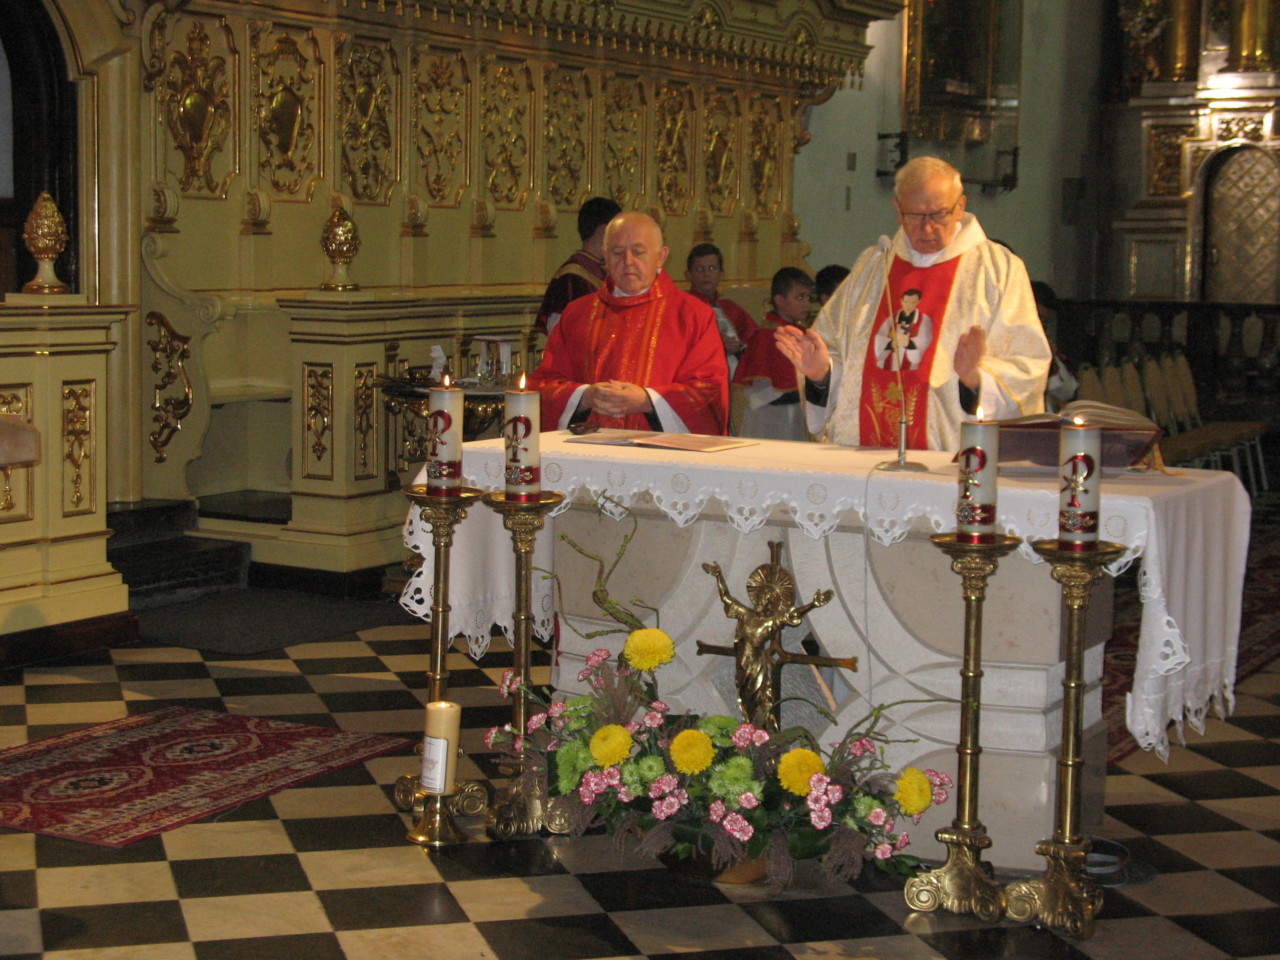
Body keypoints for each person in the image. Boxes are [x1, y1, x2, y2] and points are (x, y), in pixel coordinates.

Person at [775, 156, 1050, 450]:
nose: (927, 228)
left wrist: (976, 380)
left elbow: (1027, 367)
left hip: (951, 456)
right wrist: (822, 374)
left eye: (938, 215)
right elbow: (836, 357)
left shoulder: (997, 270)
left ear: (960, 206)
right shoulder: (874, 266)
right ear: (898, 210)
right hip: (862, 452)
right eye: (915, 216)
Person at [528, 211, 729, 435]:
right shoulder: (577, 314)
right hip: (587, 448)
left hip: (660, 451)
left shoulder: (693, 316)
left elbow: (709, 393)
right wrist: (584, 396)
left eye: (638, 252)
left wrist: (647, 401)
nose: (628, 262)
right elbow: (544, 384)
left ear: (661, 256)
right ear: (605, 256)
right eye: (617, 252)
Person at [733, 267, 813, 440]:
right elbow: (761, 394)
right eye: (800, 297)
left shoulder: (800, 333)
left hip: (793, 419)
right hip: (770, 423)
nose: (806, 304)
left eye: (808, 297)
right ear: (780, 300)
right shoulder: (768, 337)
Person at [534, 196, 623, 335]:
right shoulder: (571, 277)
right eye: (619, 230)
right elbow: (557, 331)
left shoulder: (610, 271)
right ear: (604, 231)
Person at [685, 242, 758, 377]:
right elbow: (678, 348)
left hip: (734, 377)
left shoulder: (730, 308)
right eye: (700, 269)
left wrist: (738, 346)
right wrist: (717, 348)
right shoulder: (682, 307)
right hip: (698, 377)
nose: (706, 274)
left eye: (712, 268)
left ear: (721, 274)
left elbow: (755, 340)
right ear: (688, 275)